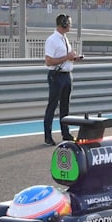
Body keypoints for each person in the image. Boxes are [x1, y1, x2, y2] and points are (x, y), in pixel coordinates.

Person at [43, 14, 82, 145]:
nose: (71, 25)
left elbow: (65, 57)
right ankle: (48, 136)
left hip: (67, 74)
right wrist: (67, 57)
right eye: (69, 23)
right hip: (57, 75)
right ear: (63, 24)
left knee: (65, 107)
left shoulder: (64, 39)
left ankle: (66, 133)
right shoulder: (52, 40)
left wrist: (73, 58)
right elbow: (48, 61)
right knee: (52, 106)